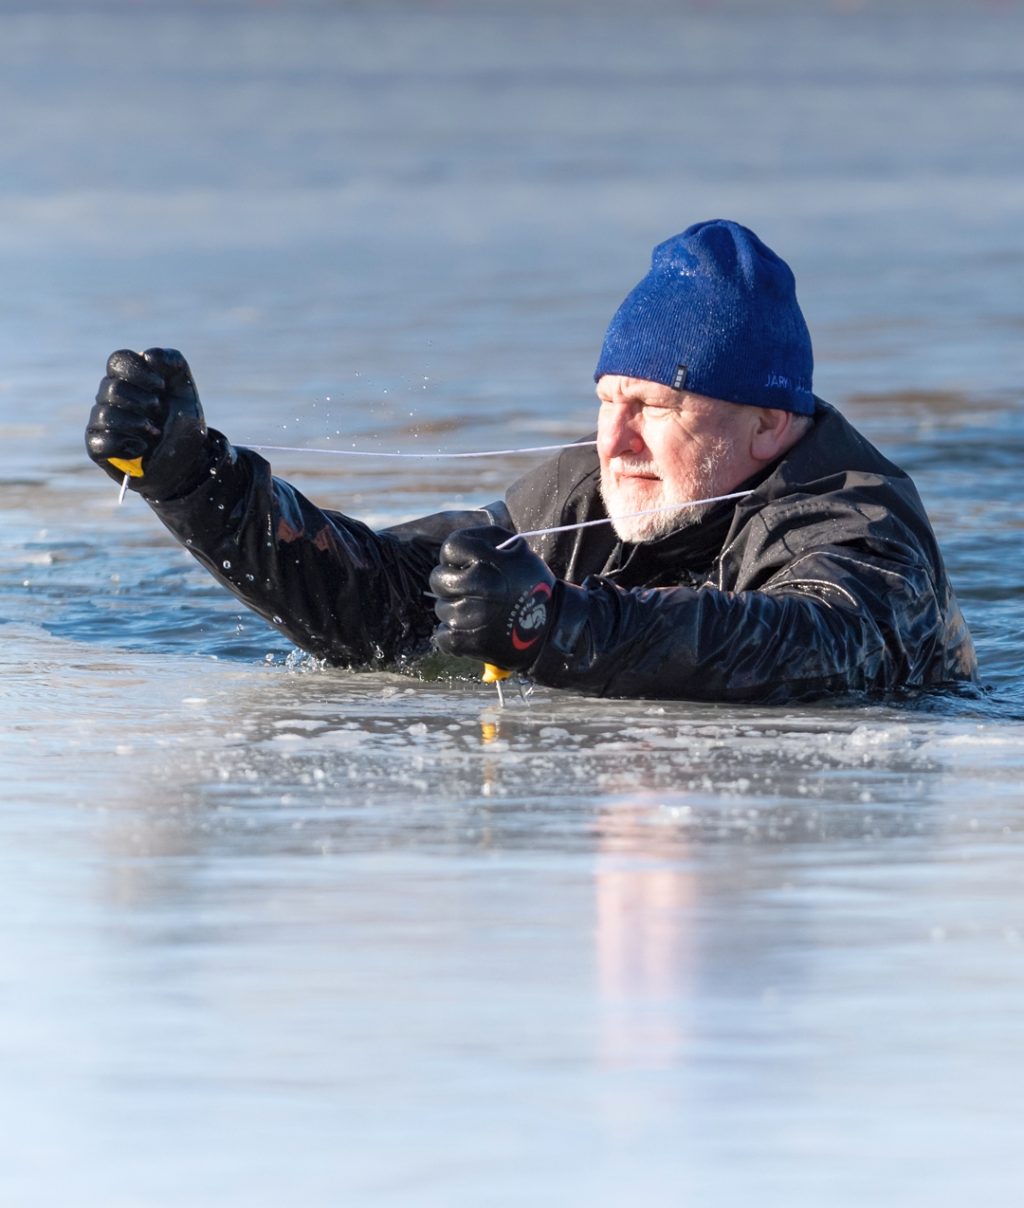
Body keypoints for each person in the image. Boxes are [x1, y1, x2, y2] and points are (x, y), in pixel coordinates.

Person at [85, 219, 978, 702]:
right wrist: (194, 481)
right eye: (606, 402)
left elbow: (817, 645)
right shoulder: (580, 496)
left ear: (770, 426)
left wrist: (558, 627)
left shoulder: (858, 523)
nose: (616, 441)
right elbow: (387, 600)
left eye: (656, 409)